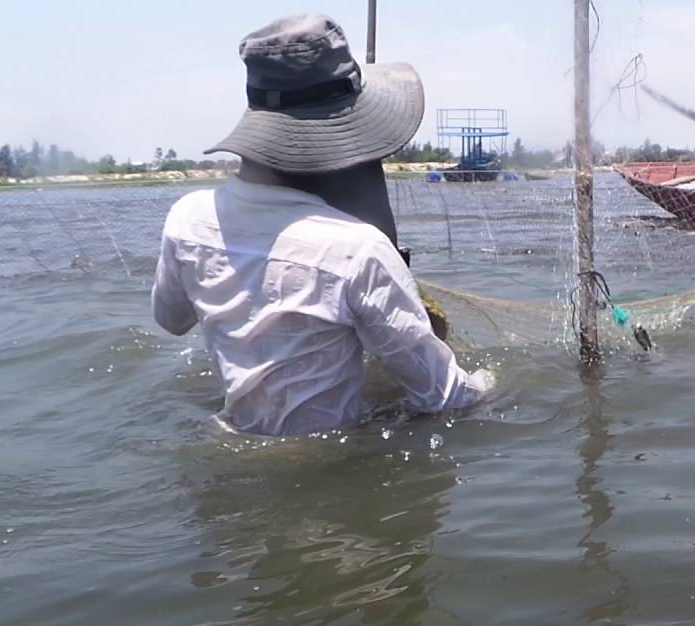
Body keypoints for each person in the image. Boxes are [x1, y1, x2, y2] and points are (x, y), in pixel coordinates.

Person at [151, 13, 493, 436]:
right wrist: (495, 382)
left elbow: (171, 319)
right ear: (340, 130)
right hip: (336, 462)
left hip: (228, 443)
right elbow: (444, 397)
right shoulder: (357, 250)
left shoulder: (188, 219)